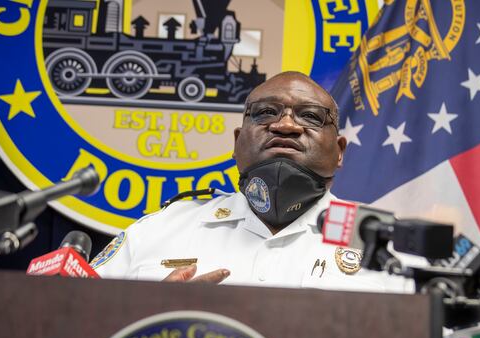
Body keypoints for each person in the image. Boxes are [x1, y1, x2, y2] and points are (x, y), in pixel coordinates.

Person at [91, 71, 410, 294]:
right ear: (237, 141)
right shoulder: (157, 232)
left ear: (339, 151)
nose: (286, 126)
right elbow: (72, 332)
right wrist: (148, 313)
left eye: (310, 117)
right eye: (266, 113)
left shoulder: (388, 247)